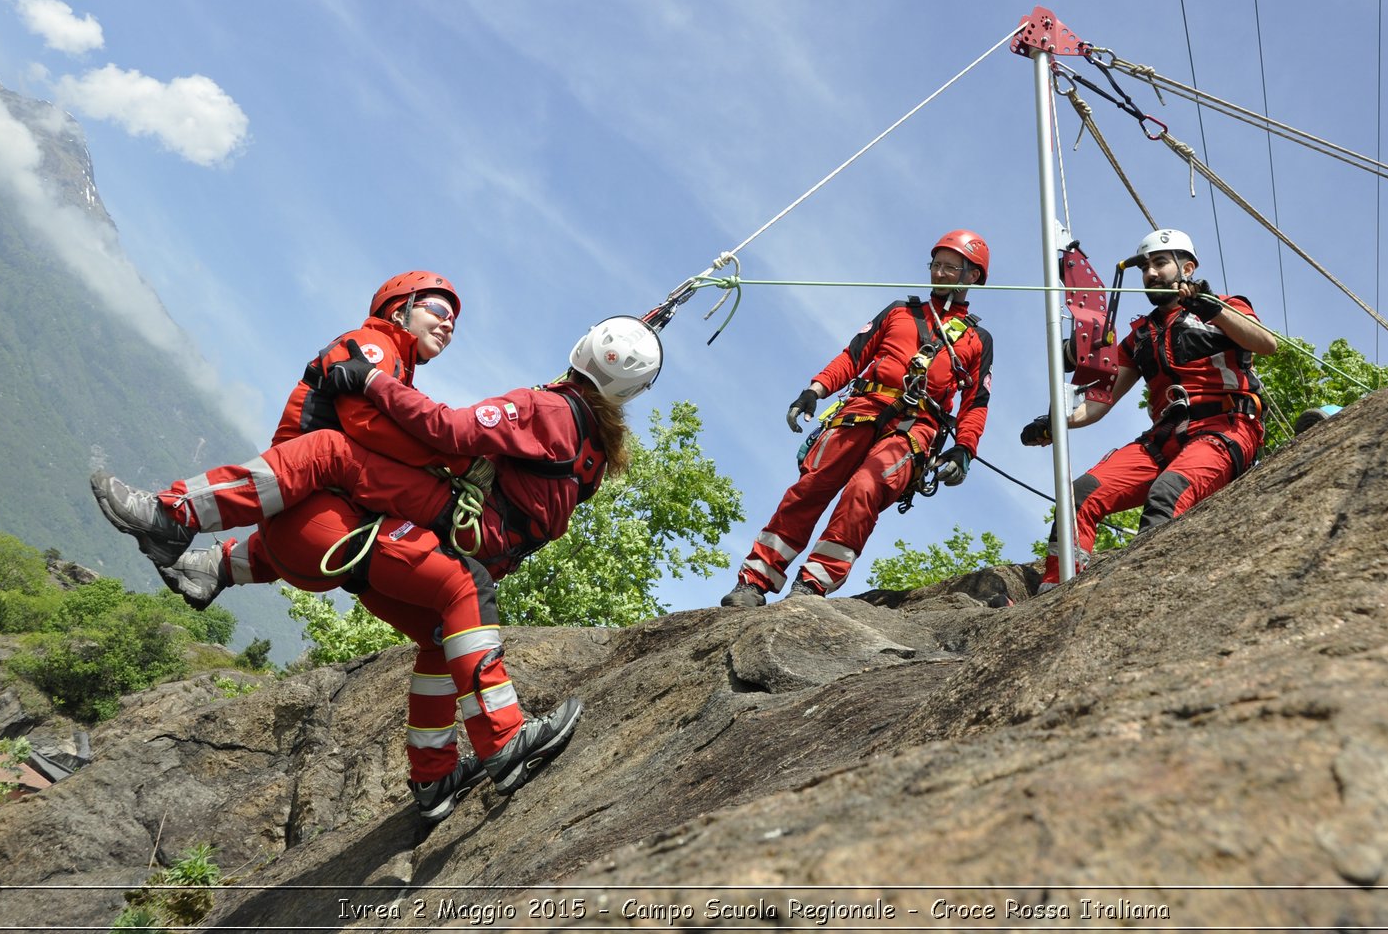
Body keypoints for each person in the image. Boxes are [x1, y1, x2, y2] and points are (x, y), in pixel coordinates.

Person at [90, 316, 663, 823]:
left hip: (460, 522)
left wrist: (370, 382)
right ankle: (433, 778)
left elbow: (451, 430)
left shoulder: (547, 407)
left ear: (582, 350)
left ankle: (174, 516)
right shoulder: (594, 452)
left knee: (329, 455)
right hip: (489, 545)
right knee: (445, 636)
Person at [91, 270, 467, 608]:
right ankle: (174, 519)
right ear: (400, 310)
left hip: (316, 502)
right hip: (300, 483)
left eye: (453, 321)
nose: (447, 324)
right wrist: (439, 454)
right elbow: (363, 422)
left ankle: (214, 565)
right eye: (437, 310)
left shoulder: (400, 373)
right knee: (328, 453)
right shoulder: (373, 345)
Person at [721, 230, 996, 607]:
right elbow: (853, 356)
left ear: (973, 276)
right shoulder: (900, 312)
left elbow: (975, 401)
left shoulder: (977, 339)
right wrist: (814, 390)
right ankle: (754, 581)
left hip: (915, 427)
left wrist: (964, 450)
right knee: (811, 487)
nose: (940, 272)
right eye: (936, 264)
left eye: (951, 267)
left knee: (866, 487)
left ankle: (812, 584)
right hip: (861, 412)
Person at [1020, 228, 1275, 594]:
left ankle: (1144, 593)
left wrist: (1214, 309)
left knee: (1166, 494)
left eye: (1159, 263)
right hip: (1164, 438)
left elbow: (1266, 344)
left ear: (1186, 267)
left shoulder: (1223, 306)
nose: (1150, 274)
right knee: (1080, 494)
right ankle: (1054, 590)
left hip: (1225, 427)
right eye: (1145, 267)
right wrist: (1056, 424)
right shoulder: (1140, 335)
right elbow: (1099, 402)